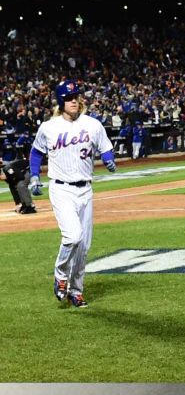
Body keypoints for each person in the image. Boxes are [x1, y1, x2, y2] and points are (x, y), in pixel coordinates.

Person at [29, 79, 118, 308]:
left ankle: (76, 291)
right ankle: (60, 275)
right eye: (68, 98)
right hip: (61, 188)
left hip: (85, 190)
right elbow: (36, 152)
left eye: (76, 97)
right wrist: (35, 175)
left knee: (84, 246)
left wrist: (108, 159)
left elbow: (105, 146)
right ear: (61, 101)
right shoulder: (49, 127)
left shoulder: (92, 124)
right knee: (73, 236)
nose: (74, 101)